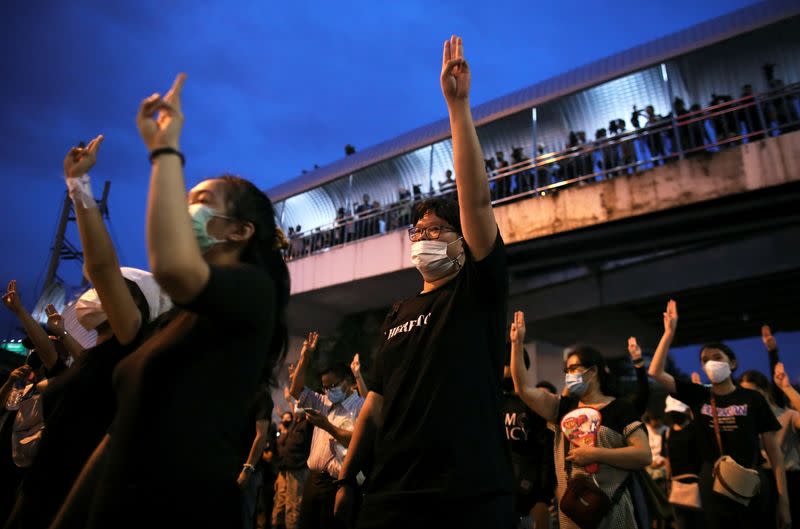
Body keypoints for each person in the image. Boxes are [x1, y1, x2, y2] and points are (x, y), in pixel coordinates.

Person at [50, 73, 291, 529]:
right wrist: (78, 187)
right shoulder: (172, 322)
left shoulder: (253, 291)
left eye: (198, 201)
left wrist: (165, 149)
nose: (185, 210)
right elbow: (103, 272)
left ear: (239, 231)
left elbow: (175, 268)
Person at [334, 35, 514, 529]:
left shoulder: (477, 292)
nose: (425, 238)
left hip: (469, 499)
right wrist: (349, 478)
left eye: (437, 230)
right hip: (391, 499)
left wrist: (458, 109)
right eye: (419, 231)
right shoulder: (396, 314)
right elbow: (375, 402)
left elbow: (477, 204)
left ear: (461, 243)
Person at [5, 137, 173, 529]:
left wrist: (78, 186)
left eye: (112, 289)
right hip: (42, 490)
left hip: (66, 503)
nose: (95, 291)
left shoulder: (128, 343)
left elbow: (99, 265)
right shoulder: (97, 357)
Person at [647, 300, 790, 529]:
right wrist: (669, 333)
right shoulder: (698, 395)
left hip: (752, 483)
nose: (711, 363)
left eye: (717, 358)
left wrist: (784, 502)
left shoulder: (753, 399)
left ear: (732, 363)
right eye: (705, 360)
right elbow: (655, 372)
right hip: (713, 484)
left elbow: (775, 455)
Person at [509, 311, 650, 529]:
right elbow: (524, 389)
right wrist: (517, 344)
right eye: (567, 370)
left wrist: (594, 454)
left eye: (574, 368)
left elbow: (643, 455)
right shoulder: (562, 408)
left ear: (593, 372)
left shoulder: (621, 408)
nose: (569, 375)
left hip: (612, 511)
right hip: (572, 513)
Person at [289, 332, 364, 529]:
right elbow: (295, 391)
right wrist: (305, 356)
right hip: (313, 480)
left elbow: (358, 441)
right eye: (325, 387)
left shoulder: (360, 406)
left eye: (333, 385)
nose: (329, 390)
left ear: (348, 381)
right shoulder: (324, 401)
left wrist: (327, 426)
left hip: (338, 485)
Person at [500, 329, 552, 529]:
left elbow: (545, 452)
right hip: (495, 493)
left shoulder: (534, 403)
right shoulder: (491, 401)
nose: (503, 369)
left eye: (506, 363)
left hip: (526, 497)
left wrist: (543, 499)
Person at [741, 366, 800, 525]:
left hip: (790, 480)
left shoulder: (787, 415)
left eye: (752, 392)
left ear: (765, 391)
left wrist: (787, 388)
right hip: (759, 483)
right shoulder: (746, 421)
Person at [662, 396, 702, 529]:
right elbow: (667, 460)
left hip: (698, 485)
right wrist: (668, 483)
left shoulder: (696, 429)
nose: (675, 415)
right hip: (677, 487)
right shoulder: (667, 433)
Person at [239, 385, 274, 529]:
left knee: (243, 517)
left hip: (247, 472)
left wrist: (247, 470)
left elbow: (261, 437)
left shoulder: (261, 395)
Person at [272, 410, 314, 529]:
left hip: (298, 470)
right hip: (285, 469)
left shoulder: (307, 423)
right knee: (281, 503)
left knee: (294, 506)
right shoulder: (294, 423)